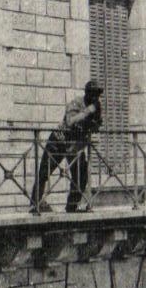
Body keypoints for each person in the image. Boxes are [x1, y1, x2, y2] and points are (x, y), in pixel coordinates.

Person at [30, 81, 104, 213]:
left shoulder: (97, 108)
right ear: (87, 93)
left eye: (97, 95)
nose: (96, 98)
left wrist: (95, 120)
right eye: (93, 94)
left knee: (81, 175)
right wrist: (88, 111)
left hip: (75, 145)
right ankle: (35, 204)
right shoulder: (76, 102)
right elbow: (70, 121)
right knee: (44, 171)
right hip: (59, 140)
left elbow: (96, 126)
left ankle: (72, 206)